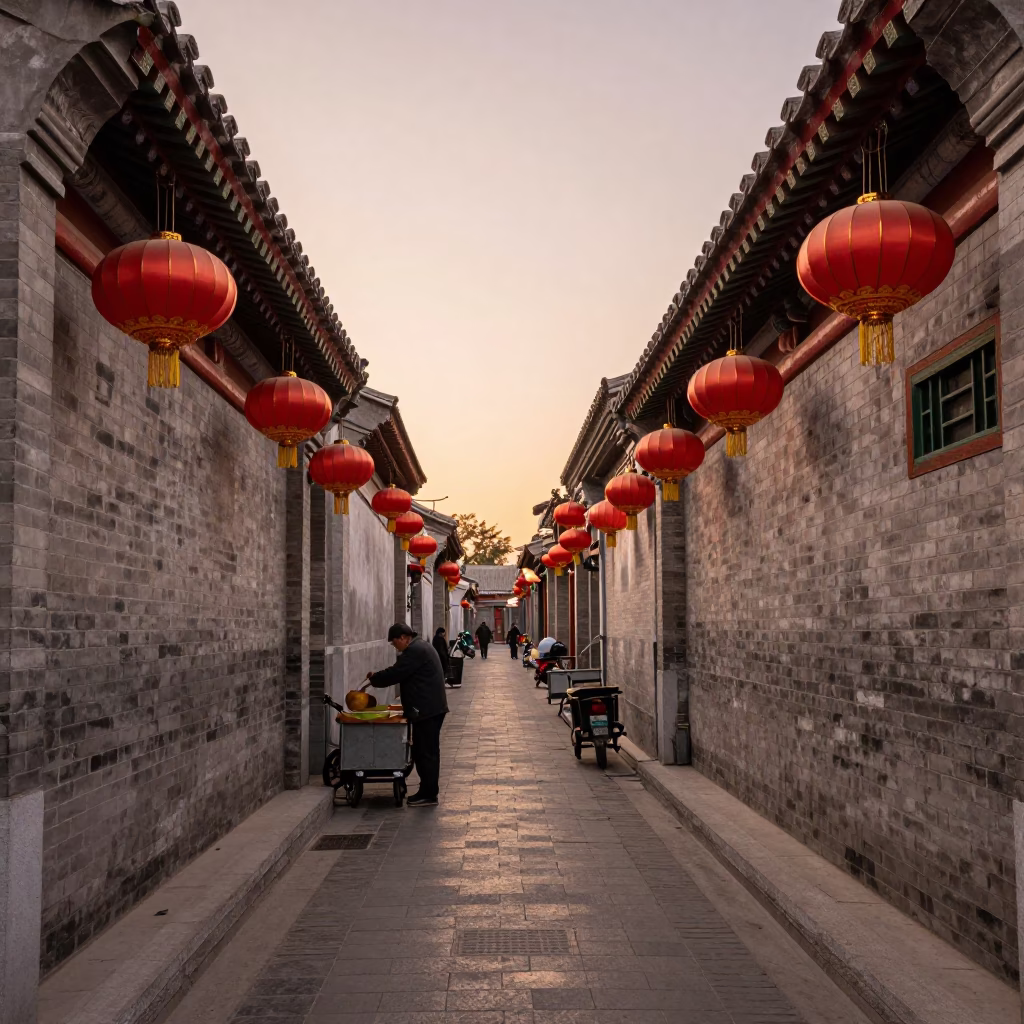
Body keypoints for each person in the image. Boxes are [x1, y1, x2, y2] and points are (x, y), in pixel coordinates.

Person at [363, 623, 448, 806]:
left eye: (395, 644)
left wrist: (374, 680)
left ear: (403, 637)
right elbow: (400, 670)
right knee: (424, 751)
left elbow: (397, 672)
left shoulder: (415, 650)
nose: (396, 648)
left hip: (427, 710)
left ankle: (429, 793)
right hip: (429, 708)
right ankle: (427, 789)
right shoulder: (420, 646)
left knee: (426, 753)